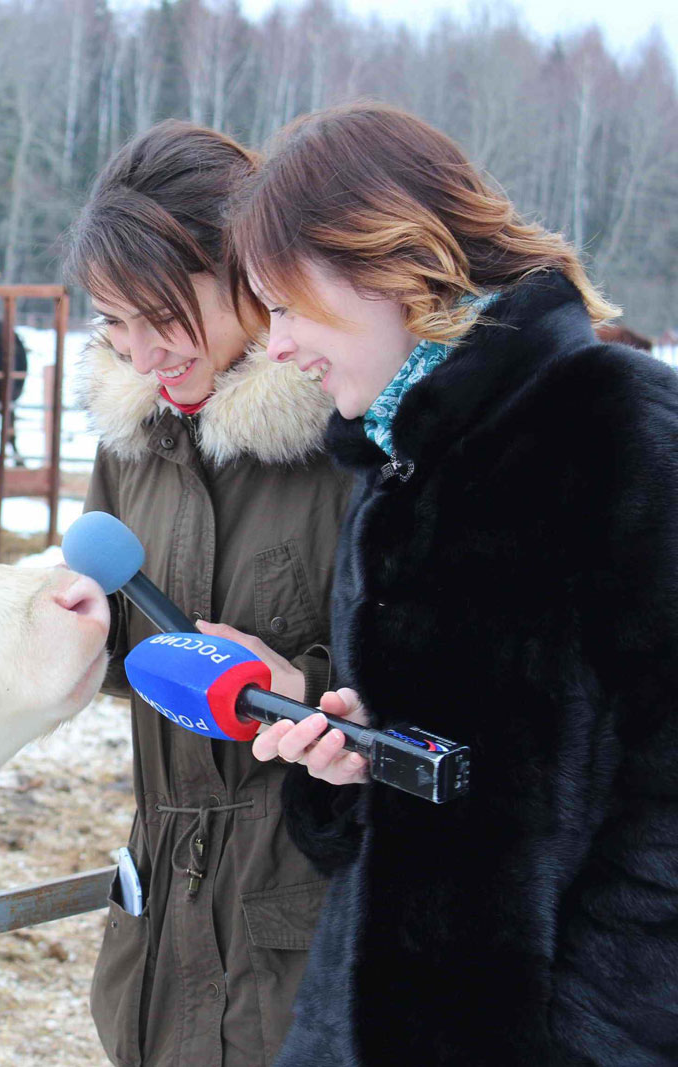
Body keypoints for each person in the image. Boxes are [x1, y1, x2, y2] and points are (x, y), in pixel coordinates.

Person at [229, 101, 678, 1065]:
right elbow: (448, 809)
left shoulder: (620, 429)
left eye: (287, 305)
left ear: (387, 262)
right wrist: (346, 770)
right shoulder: (394, 475)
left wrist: (590, 1029)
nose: (276, 347)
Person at [64, 121, 352, 1067]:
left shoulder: (349, 437)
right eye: (115, 321)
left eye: (166, 315)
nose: (144, 355)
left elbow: (445, 681)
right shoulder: (133, 439)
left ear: (249, 270)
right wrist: (65, 635)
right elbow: (118, 644)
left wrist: (298, 685)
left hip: (299, 934)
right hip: (156, 929)